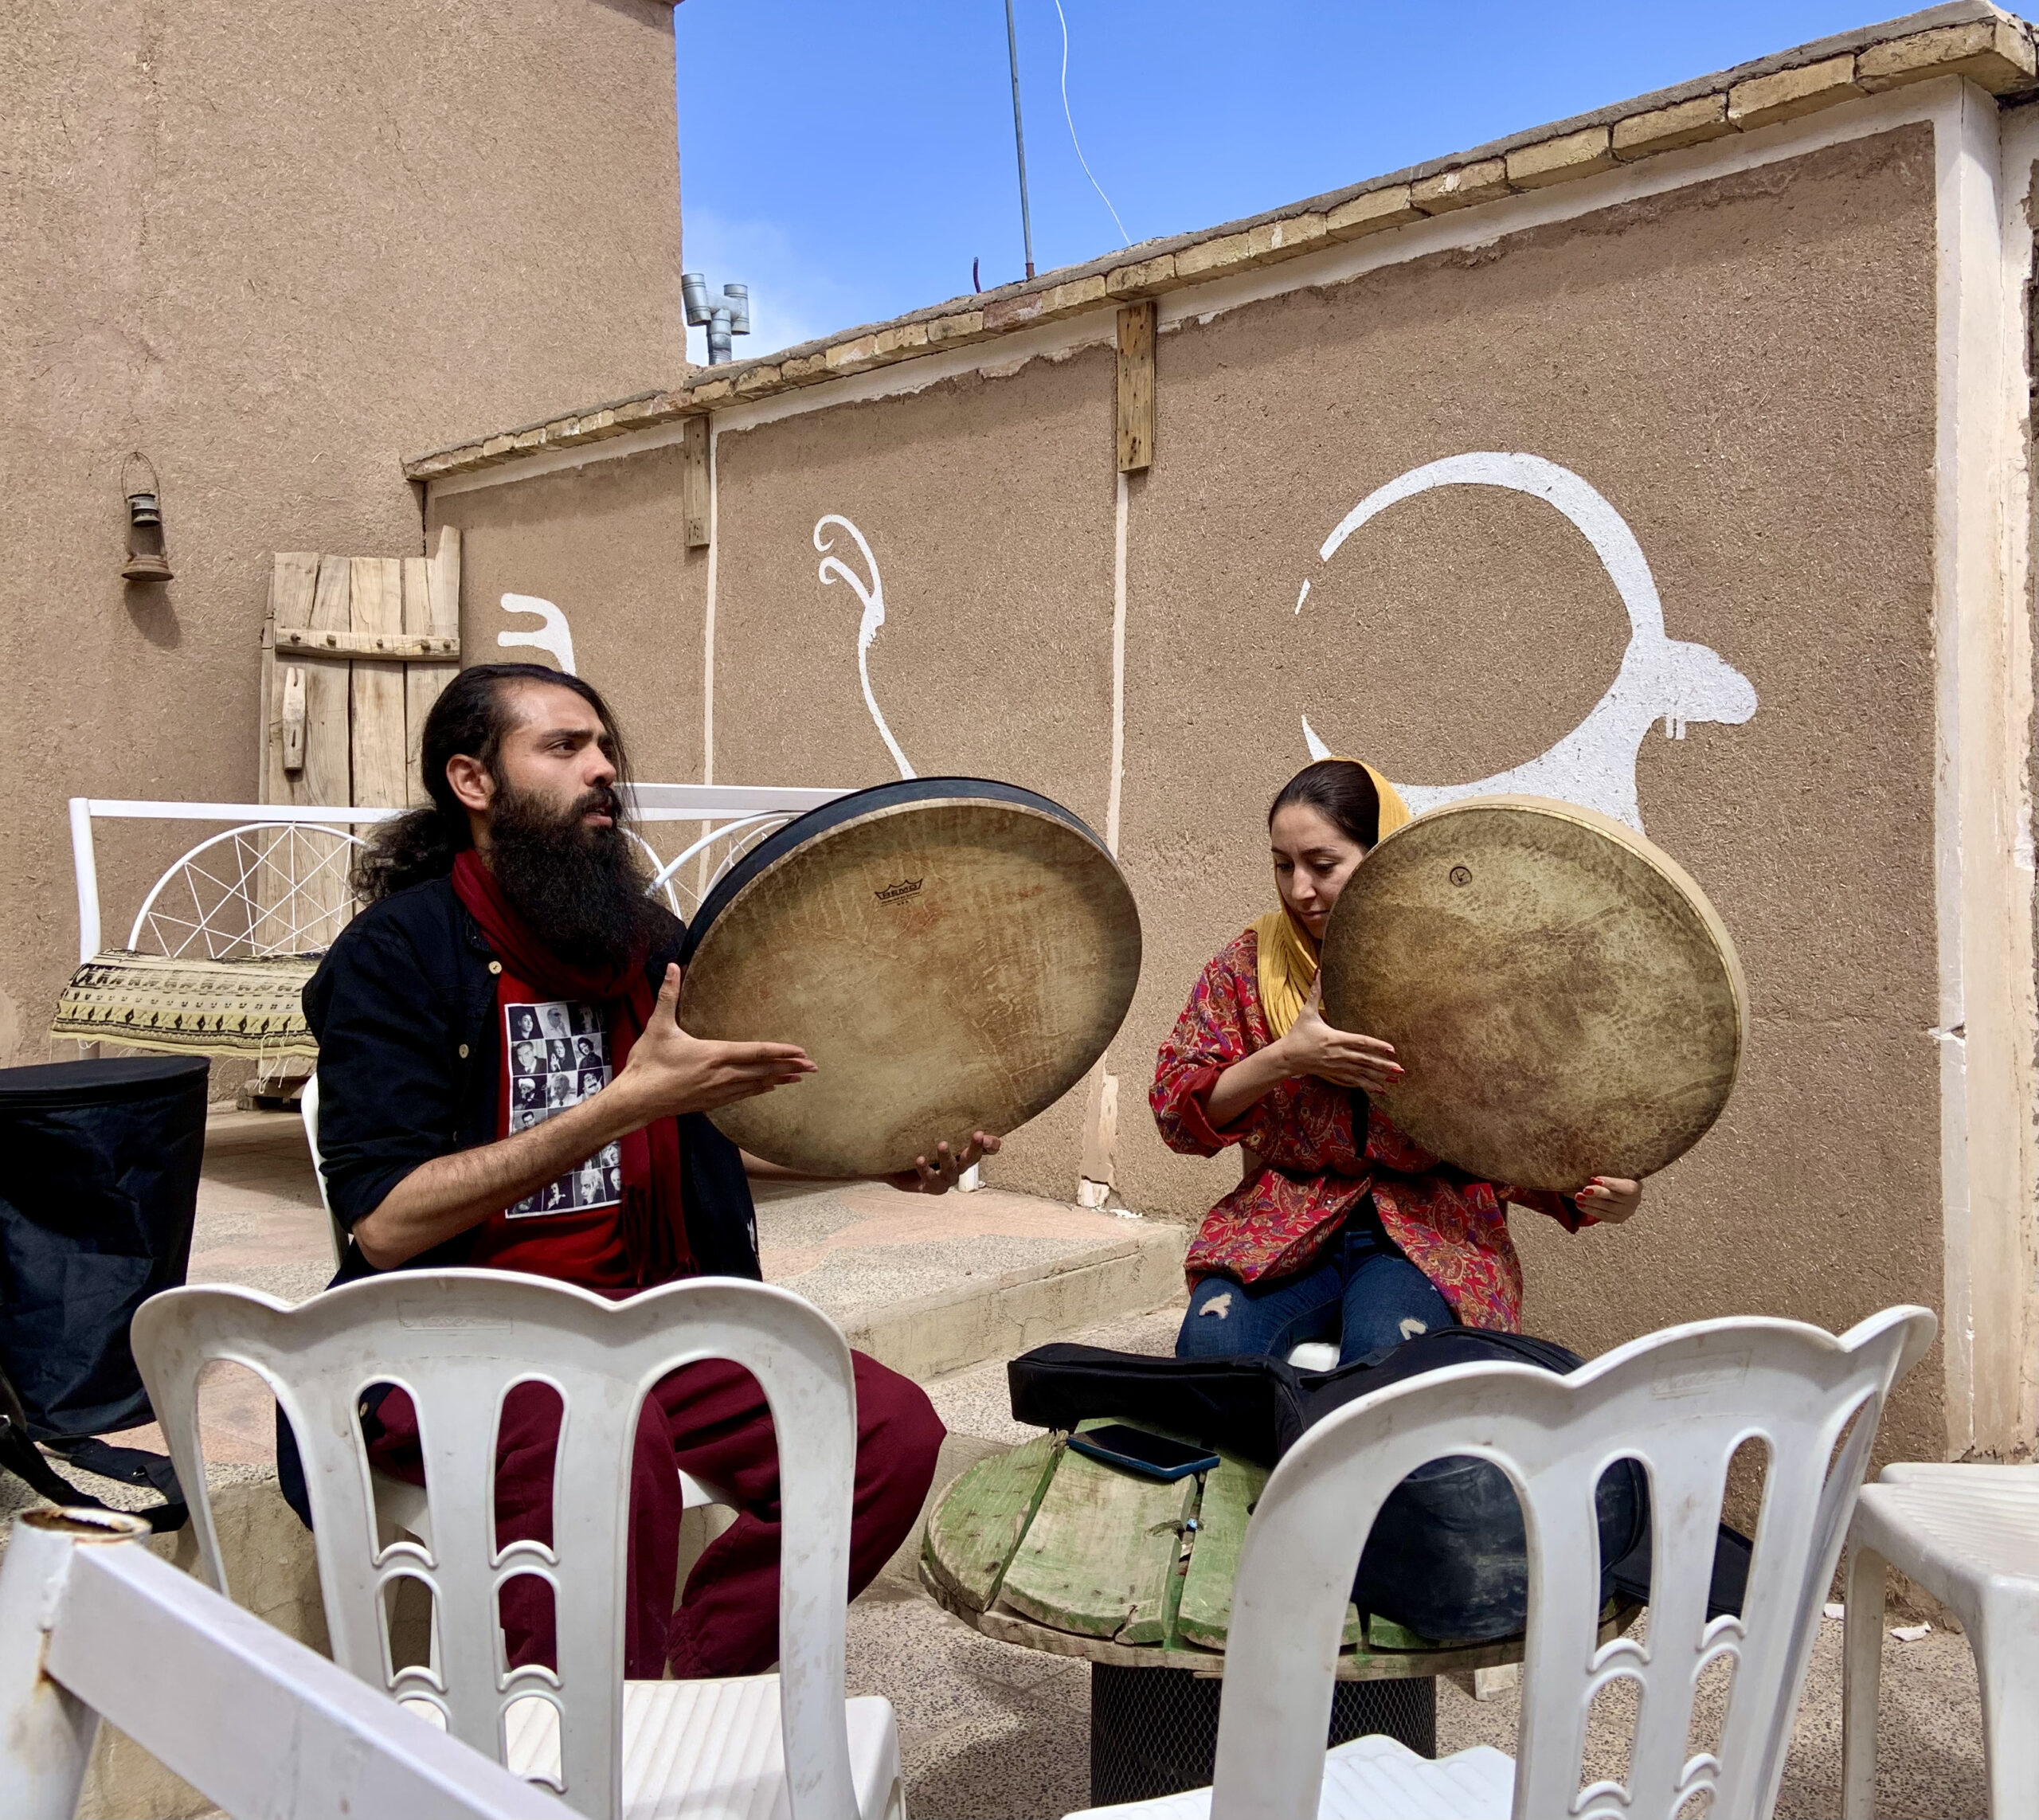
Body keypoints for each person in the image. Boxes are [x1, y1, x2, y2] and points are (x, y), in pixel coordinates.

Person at [293, 661, 1000, 1681]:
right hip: (458, 1335)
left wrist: (878, 1153)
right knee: (601, 1434)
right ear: (473, 781)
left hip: (644, 1310)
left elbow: (715, 1125)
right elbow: (387, 1226)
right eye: (564, 747)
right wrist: (618, 1104)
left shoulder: (643, 943)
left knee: (882, 1433)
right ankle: (576, 1739)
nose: (602, 769)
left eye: (605, 746)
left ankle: (678, 1686)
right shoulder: (396, 957)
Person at [1151, 757, 1642, 1367]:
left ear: (1382, 855)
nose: (1299, 889)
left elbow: (1530, 1116)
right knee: (1213, 1346)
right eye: (1283, 865)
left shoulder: (1465, 972)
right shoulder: (1250, 965)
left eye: (1323, 865)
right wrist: (1285, 1057)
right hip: (1283, 1219)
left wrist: (1602, 1189)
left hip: (1428, 1231)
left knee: (1390, 1359)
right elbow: (1175, 1107)